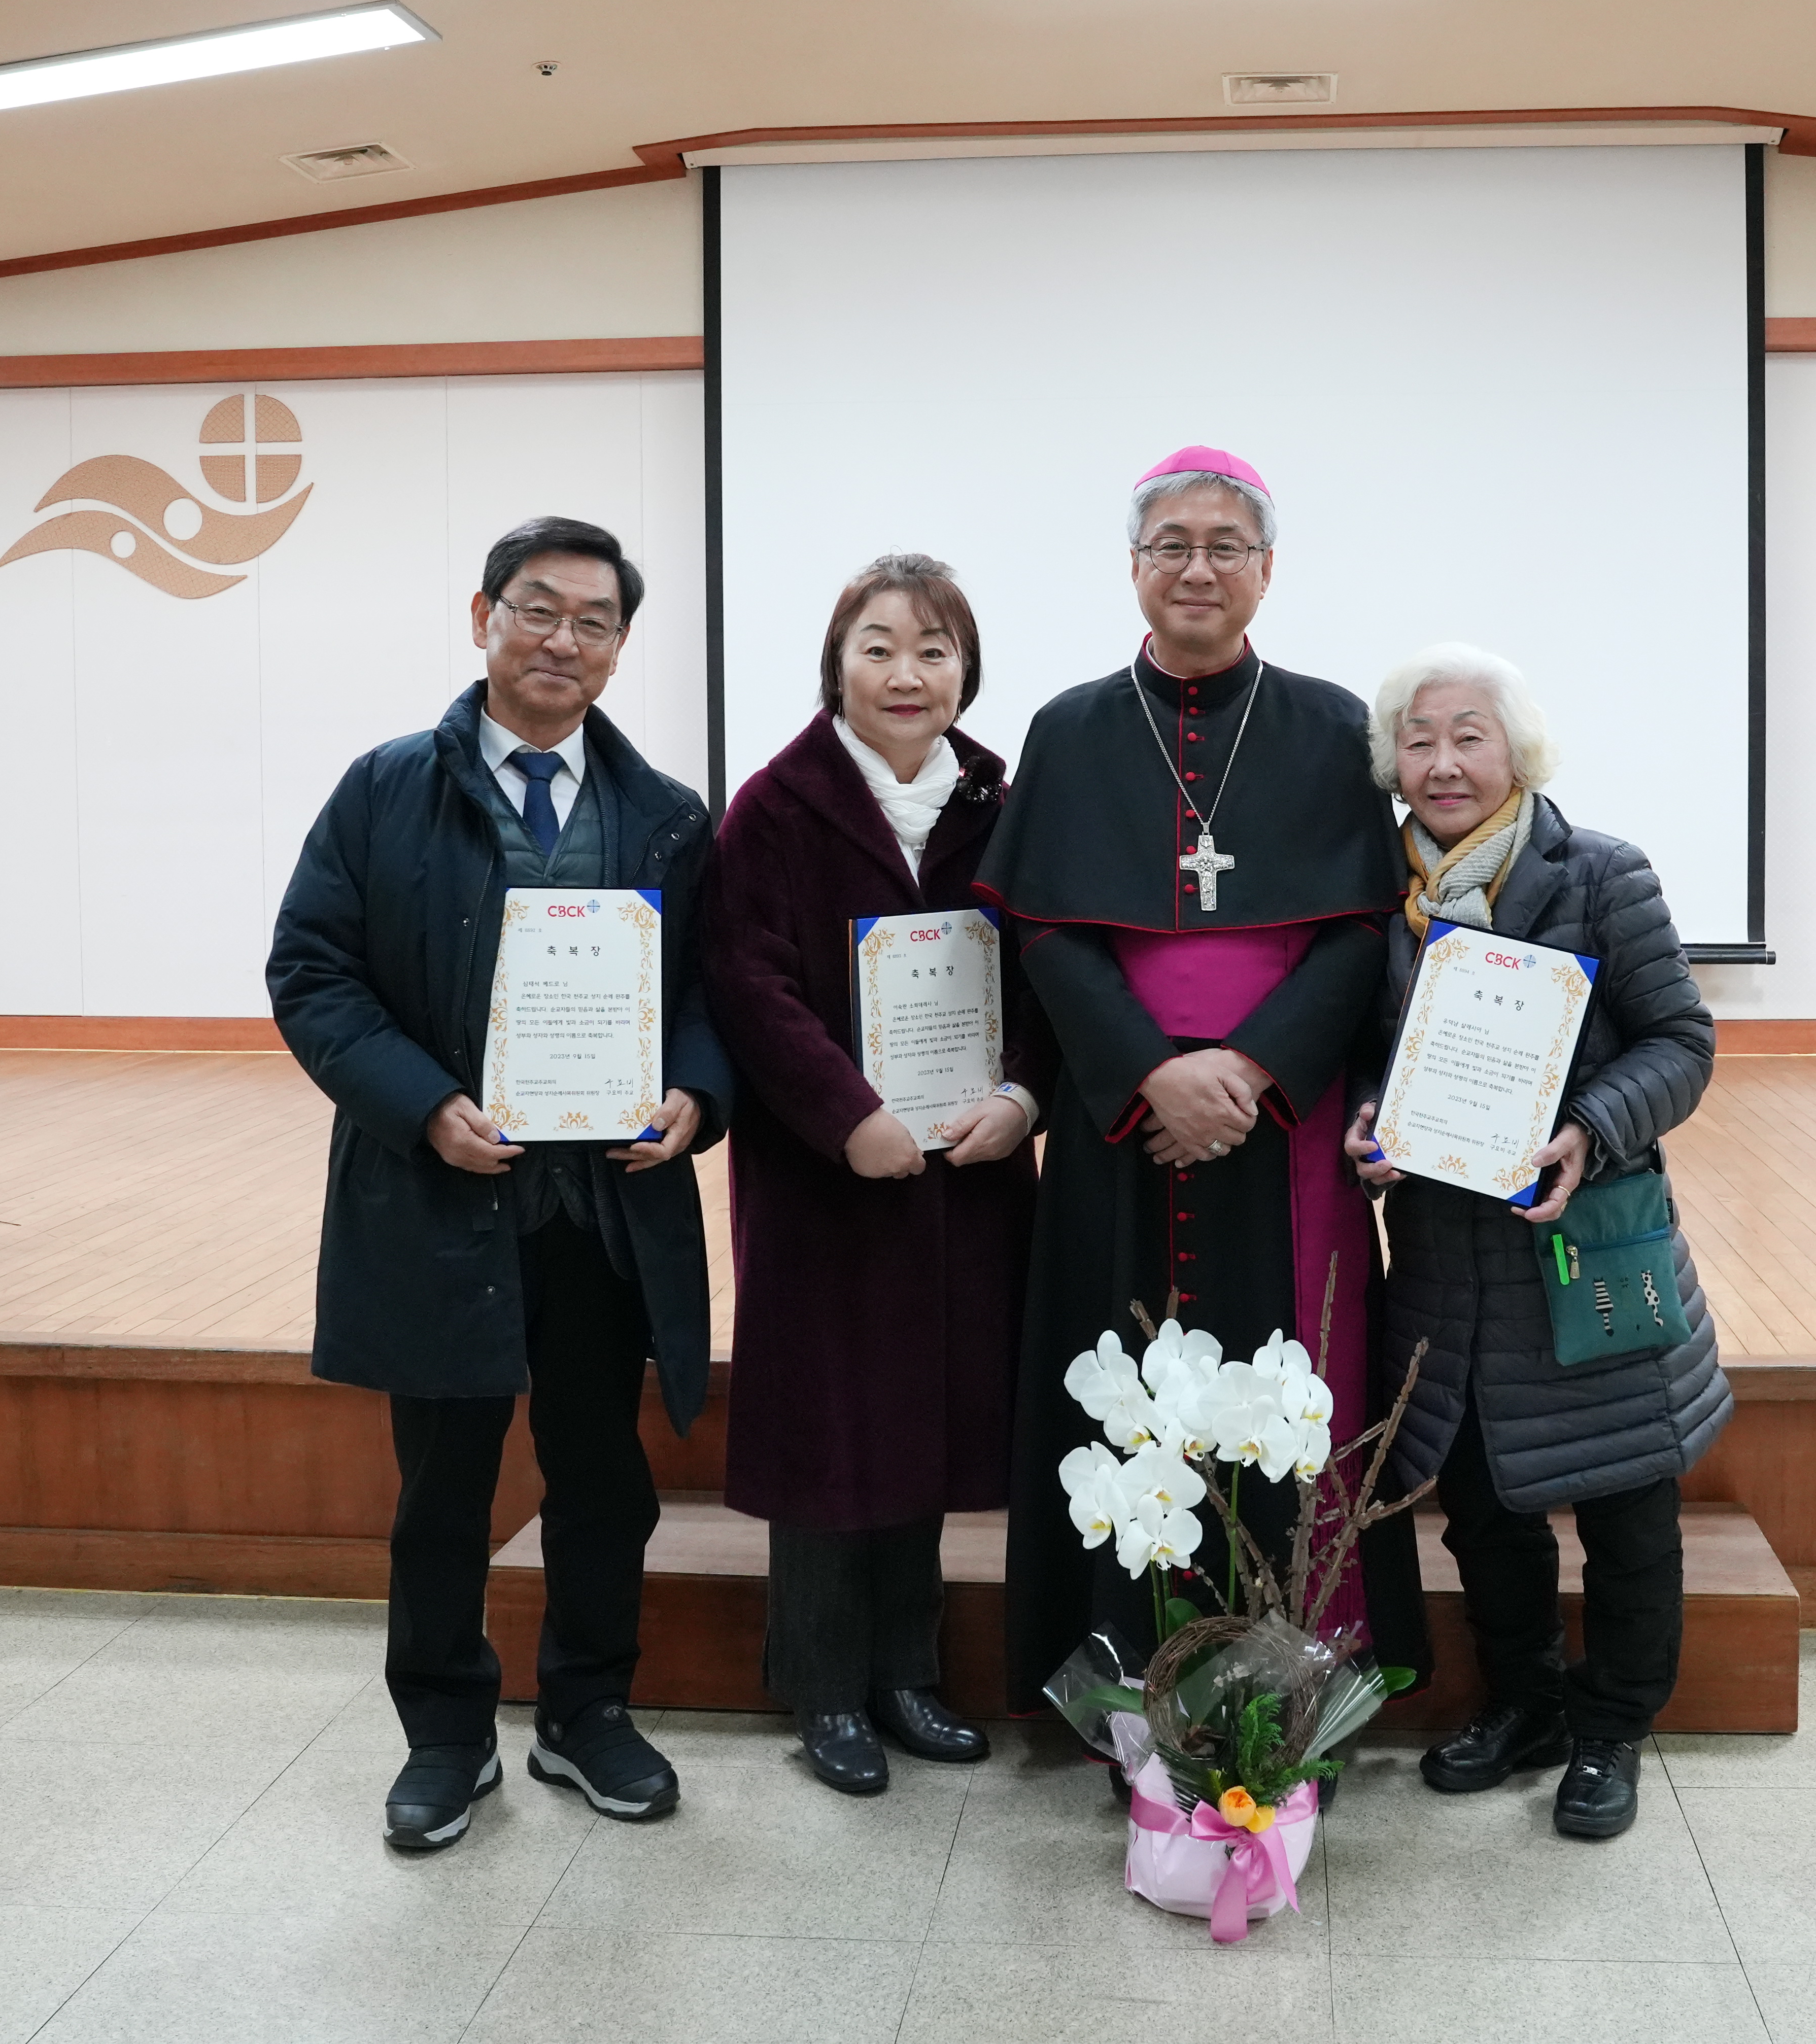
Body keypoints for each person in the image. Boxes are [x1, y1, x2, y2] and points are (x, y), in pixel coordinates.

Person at [268, 514, 732, 1851]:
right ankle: (446, 1736)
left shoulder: (661, 816)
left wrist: (694, 1097)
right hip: (442, 1198)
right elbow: (312, 971)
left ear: (619, 645)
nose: (561, 639)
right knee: (442, 1490)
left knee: (603, 1480)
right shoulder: (382, 790)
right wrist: (424, 1107)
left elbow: (703, 992)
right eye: (537, 609)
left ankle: (587, 1713)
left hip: (603, 1213)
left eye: (592, 620)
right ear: (481, 616)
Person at [979, 446, 1418, 1706]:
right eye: (1170, 545)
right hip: (1119, 1123)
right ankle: (1116, 1685)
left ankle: (1299, 1689)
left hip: (1280, 1123)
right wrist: (1146, 1076)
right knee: (1112, 1401)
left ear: (1266, 572)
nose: (1197, 568)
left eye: (1225, 546)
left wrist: (1249, 1069)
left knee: (1296, 1389)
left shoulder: (1335, 725)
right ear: (1132, 568)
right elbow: (1050, 932)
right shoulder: (1068, 729)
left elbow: (1354, 930)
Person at [1342, 643, 1731, 1841]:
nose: (1443, 760)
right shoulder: (1372, 898)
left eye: (1468, 734)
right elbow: (1365, 1056)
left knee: (1625, 1512)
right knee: (1482, 1507)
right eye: (1417, 738)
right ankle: (1524, 1704)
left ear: (1516, 750)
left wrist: (1586, 1131)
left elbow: (1680, 1046)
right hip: (1449, 1269)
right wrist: (1369, 1121)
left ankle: (1609, 1727)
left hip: (1585, 1251)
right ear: (1389, 762)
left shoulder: (1600, 874)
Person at [706, 555, 1053, 1794]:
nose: (907, 674)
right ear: (834, 664)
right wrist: (844, 1114)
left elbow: (1049, 974)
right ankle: (823, 1688)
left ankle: (907, 1673)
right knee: (829, 1427)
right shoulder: (776, 807)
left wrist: (1023, 1095)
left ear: (966, 668)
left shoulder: (1000, 803)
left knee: (925, 1415)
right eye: (878, 647)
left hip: (965, 1169)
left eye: (934, 650)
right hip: (826, 1177)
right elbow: (748, 984)